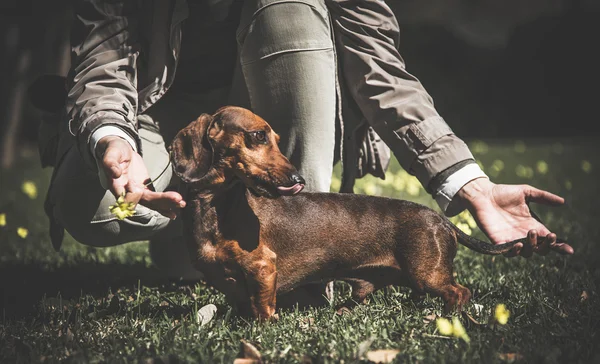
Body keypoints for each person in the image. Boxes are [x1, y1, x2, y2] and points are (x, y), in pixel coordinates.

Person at [40, 0, 572, 282]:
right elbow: (101, 60)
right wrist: (110, 138)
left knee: (290, 11)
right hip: (160, 117)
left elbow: (380, 70)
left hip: (271, 103)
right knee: (88, 208)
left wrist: (470, 185)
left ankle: (302, 260)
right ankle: (194, 239)